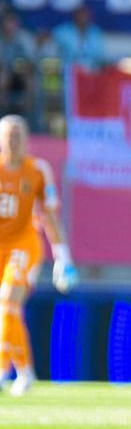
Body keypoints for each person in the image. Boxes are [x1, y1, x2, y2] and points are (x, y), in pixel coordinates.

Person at [0, 116, 77, 397]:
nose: (13, 140)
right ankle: (8, 369)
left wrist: (62, 255)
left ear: (27, 138)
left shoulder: (37, 170)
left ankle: (20, 372)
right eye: (8, 135)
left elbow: (49, 215)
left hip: (23, 245)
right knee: (4, 311)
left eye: (18, 135)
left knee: (9, 301)